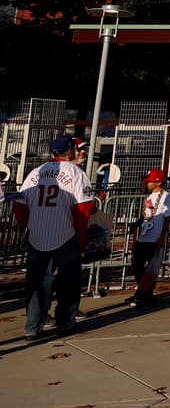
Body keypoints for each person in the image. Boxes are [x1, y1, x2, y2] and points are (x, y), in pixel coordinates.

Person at [16, 136, 93, 338]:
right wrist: (81, 238)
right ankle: (65, 322)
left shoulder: (34, 173)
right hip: (66, 233)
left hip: (37, 234)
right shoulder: (76, 172)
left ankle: (33, 326)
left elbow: (20, 206)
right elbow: (83, 209)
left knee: (37, 282)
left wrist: (32, 225)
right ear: (69, 152)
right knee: (69, 281)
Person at [127, 169, 170, 308]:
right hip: (144, 237)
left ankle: (143, 294)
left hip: (154, 237)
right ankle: (143, 291)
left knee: (150, 268)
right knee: (136, 264)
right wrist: (136, 224)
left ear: (158, 182)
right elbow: (146, 214)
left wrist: (162, 237)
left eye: (150, 181)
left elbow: (166, 219)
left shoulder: (166, 196)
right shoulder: (150, 196)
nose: (147, 183)